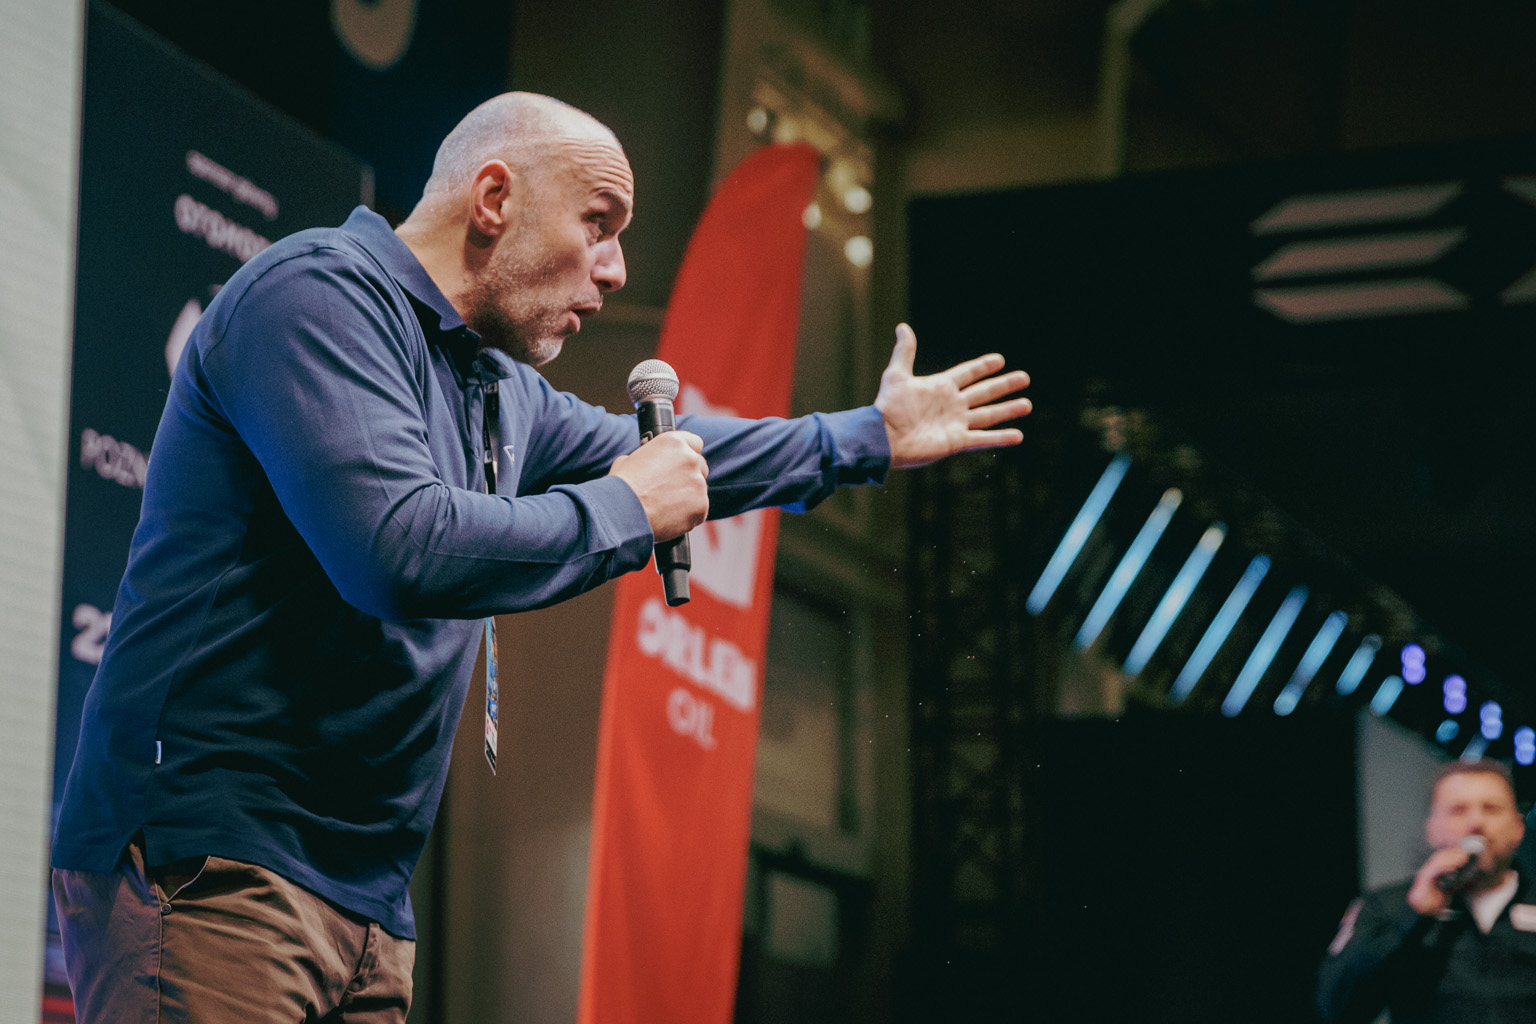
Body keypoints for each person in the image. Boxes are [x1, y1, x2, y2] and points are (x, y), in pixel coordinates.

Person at [49, 92, 1032, 1022]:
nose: (616, 269)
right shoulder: (317, 297)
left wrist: (865, 436)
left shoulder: (494, 384)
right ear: (494, 199)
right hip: (210, 861)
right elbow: (398, 549)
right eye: (599, 223)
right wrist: (625, 509)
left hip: (367, 900)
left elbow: (681, 456)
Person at [1316, 759, 1536, 1023]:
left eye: (1491, 808)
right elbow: (1338, 1008)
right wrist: (1412, 916)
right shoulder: (1387, 905)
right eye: (1458, 810)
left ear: (1518, 828)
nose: (1476, 822)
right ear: (1432, 830)